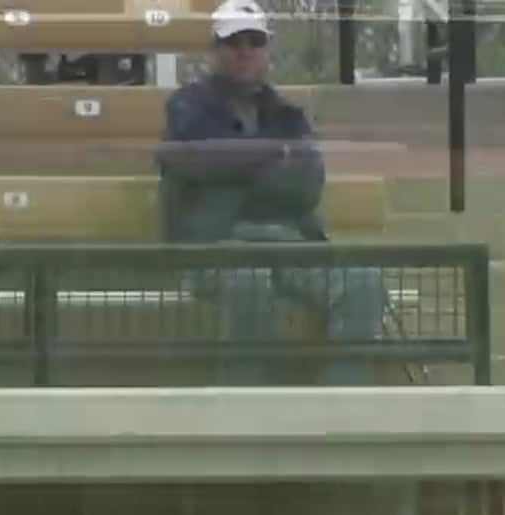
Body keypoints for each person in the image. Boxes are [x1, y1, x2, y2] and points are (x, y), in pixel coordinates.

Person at [156, 0, 388, 386]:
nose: (245, 51)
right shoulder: (187, 106)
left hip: (287, 242)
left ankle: (344, 405)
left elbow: (306, 185)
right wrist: (271, 157)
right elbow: (186, 161)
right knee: (247, 279)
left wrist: (233, 168)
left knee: (363, 281)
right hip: (215, 246)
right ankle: (243, 410)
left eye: (254, 41)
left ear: (267, 49)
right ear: (215, 50)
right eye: (234, 42)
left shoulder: (288, 113)